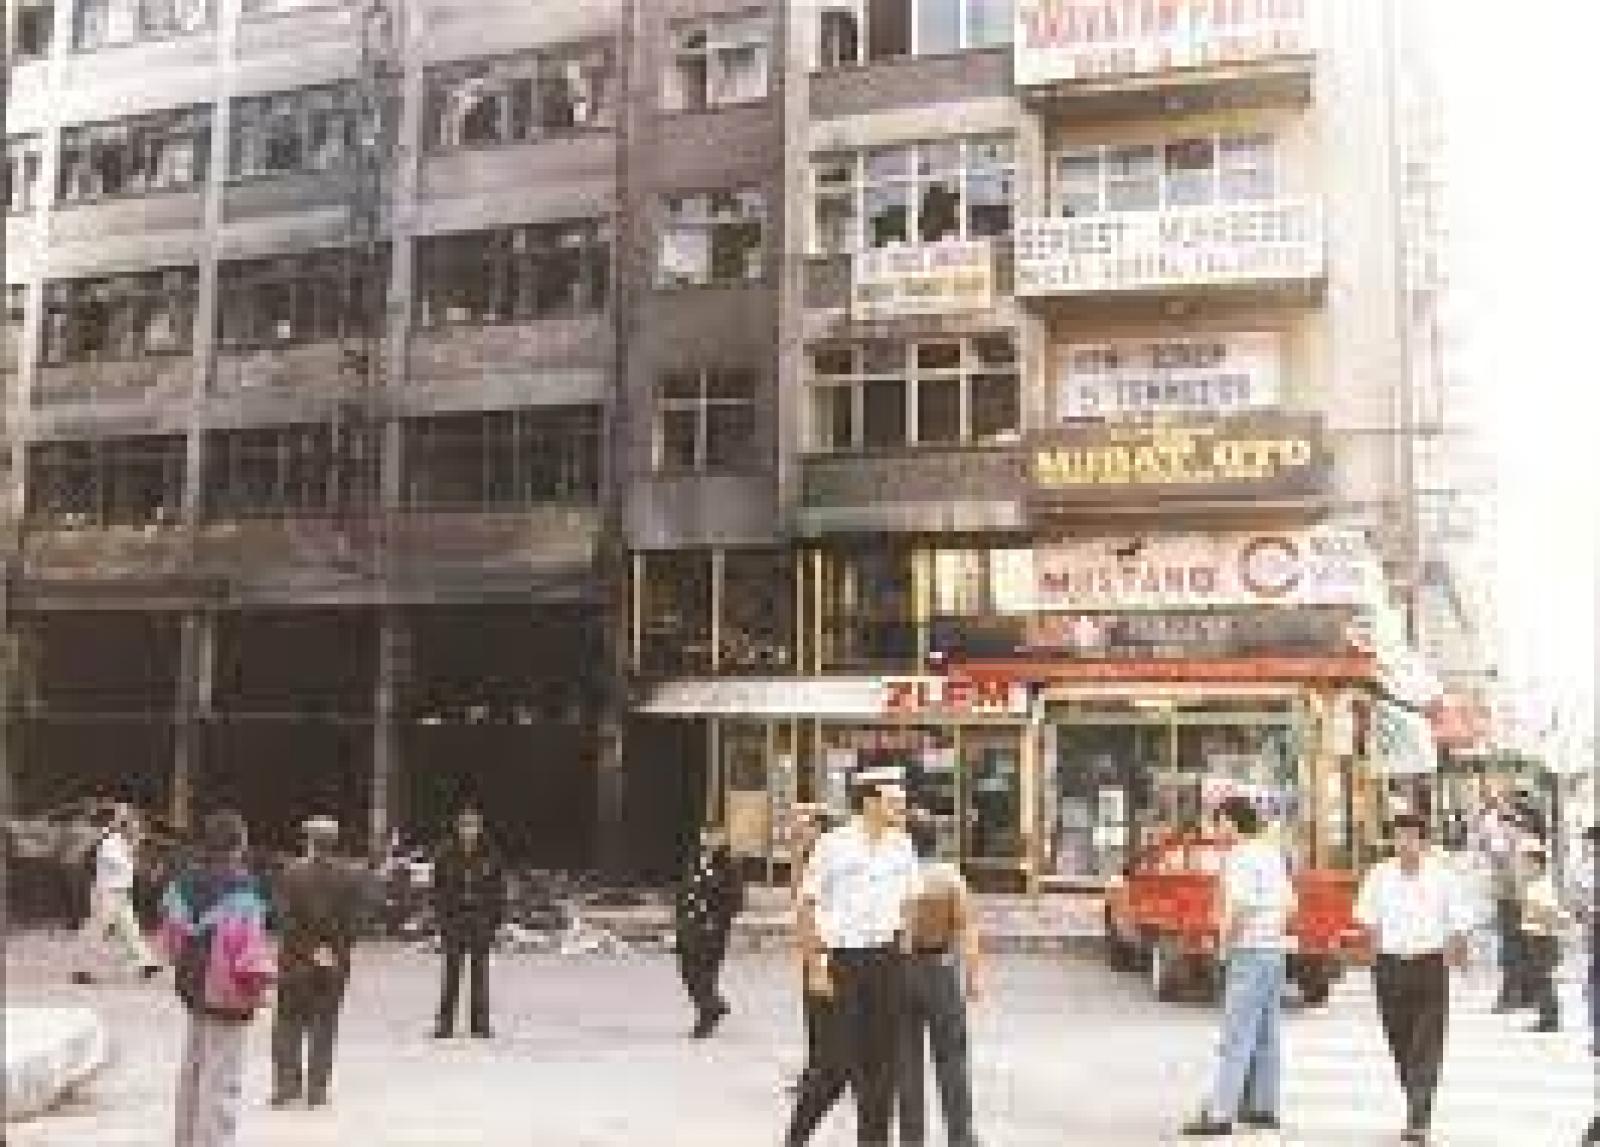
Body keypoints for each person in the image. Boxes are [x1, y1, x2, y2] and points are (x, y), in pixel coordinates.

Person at [785, 777, 916, 1147]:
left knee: (882, 1069)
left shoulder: (902, 846)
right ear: (870, 802)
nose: (902, 807)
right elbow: (806, 906)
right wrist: (815, 964)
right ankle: (796, 1138)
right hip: (841, 961)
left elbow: (909, 901)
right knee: (833, 1065)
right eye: (895, 800)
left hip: (885, 962)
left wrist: (902, 950)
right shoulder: (833, 845)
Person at [1352, 812, 1474, 1146]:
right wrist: (1370, 958)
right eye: (1399, 837)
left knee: (1427, 1043)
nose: (1405, 844)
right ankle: (1415, 1099)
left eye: (1411, 837)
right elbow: (1367, 920)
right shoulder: (1379, 875)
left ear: (1424, 841)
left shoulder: (1443, 877)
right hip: (1390, 967)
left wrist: (1459, 954)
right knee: (1400, 1040)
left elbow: (1460, 919)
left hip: (1430, 965)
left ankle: (1419, 1117)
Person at [158, 810, 276, 1147]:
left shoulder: (183, 882)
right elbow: (249, 950)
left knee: (193, 1067)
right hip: (227, 992)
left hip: (191, 983)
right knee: (222, 1077)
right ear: (238, 843)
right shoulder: (242, 889)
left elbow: (170, 939)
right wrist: (260, 986)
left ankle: (185, 1138)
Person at [1182, 797, 1296, 1138]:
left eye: (1219, 822)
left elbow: (1241, 906)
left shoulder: (1241, 857)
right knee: (1265, 1032)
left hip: (1248, 950)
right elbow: (1291, 904)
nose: (1216, 830)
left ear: (1232, 823)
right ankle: (1263, 1107)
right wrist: (1270, 929)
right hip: (1273, 951)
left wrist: (1224, 944)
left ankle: (1220, 1112)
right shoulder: (1271, 853)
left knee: (1236, 1034)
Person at [896, 811, 983, 1147]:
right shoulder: (949, 877)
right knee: (951, 1058)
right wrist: (973, 976)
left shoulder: (893, 876)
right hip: (941, 969)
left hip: (900, 969)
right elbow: (966, 928)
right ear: (936, 839)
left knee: (906, 1061)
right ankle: (960, 1136)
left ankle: (911, 1138)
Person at [270, 815, 365, 1108]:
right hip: (333, 962)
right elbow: (355, 924)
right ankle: (317, 1090)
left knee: (288, 1023)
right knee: (325, 1025)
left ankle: (287, 1087)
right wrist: (331, 949)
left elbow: (283, 922)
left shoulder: (290, 873)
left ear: (308, 841)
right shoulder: (350, 876)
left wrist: (307, 950)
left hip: (295, 962)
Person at [432, 807, 505, 1039]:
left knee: (479, 974)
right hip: (454, 919)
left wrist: (495, 921)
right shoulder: (445, 853)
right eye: (465, 825)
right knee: (451, 973)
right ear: (458, 828)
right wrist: (441, 920)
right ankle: (445, 1024)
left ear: (480, 828)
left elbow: (498, 891)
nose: (469, 831)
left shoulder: (491, 854)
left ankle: (480, 1024)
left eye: (473, 826)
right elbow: (438, 890)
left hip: (480, 919)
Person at [74, 803, 160, 984]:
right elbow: (126, 865)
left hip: (121, 893)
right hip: (106, 893)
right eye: (132, 825)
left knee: (130, 929)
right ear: (123, 826)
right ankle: (84, 969)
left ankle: (145, 963)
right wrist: (136, 845)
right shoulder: (110, 842)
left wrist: (136, 843)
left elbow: (131, 864)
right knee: (98, 931)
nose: (136, 828)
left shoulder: (121, 842)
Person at [674, 823, 744, 1039]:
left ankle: (706, 1016)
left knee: (705, 974)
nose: (709, 840)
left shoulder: (729, 865)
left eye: (714, 836)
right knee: (688, 972)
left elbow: (735, 900)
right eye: (706, 835)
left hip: (712, 927)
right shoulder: (695, 860)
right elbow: (685, 890)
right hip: (690, 925)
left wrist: (717, 919)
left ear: (722, 839)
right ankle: (715, 1004)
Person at [1518, 839, 1566, 1033]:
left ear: (1537, 864)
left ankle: (1549, 1019)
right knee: (1541, 978)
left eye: (1527, 862)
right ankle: (1545, 1016)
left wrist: (1534, 916)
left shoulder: (1542, 885)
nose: (1524, 867)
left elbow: (1549, 911)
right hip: (1537, 935)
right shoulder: (1535, 884)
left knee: (1544, 978)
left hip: (1543, 938)